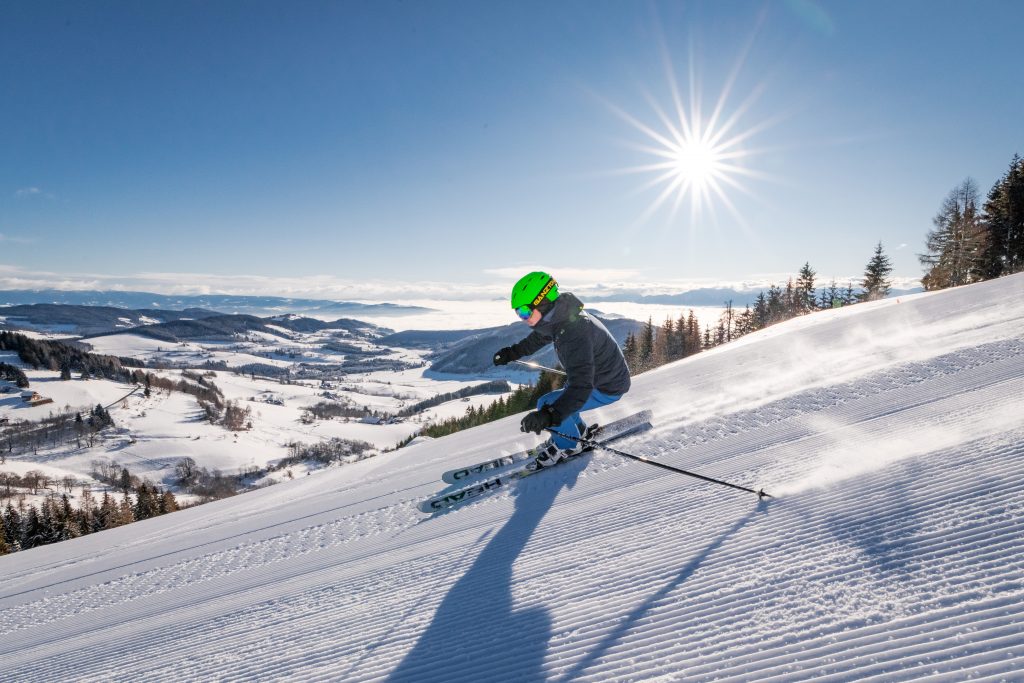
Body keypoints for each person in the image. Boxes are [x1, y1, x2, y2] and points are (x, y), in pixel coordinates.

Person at [493, 271, 631, 468]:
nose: (522, 318)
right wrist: (511, 353)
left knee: (547, 403)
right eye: (518, 313)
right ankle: (578, 432)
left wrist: (549, 415)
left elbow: (581, 387)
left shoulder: (574, 331)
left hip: (607, 385)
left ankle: (569, 445)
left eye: (524, 312)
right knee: (559, 399)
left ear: (542, 302)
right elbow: (538, 338)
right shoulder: (561, 319)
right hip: (603, 379)